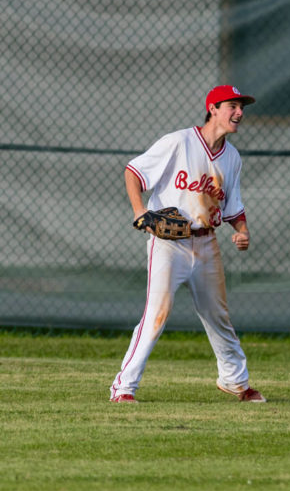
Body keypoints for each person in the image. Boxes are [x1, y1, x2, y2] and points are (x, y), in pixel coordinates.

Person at [109, 85, 266, 403]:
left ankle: (235, 381)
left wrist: (243, 231)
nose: (239, 113)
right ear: (213, 108)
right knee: (157, 313)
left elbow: (233, 208)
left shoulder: (232, 158)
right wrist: (140, 211)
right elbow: (133, 172)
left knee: (217, 315)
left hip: (207, 244)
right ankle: (124, 388)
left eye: (242, 107)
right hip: (168, 243)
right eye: (233, 106)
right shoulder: (178, 142)